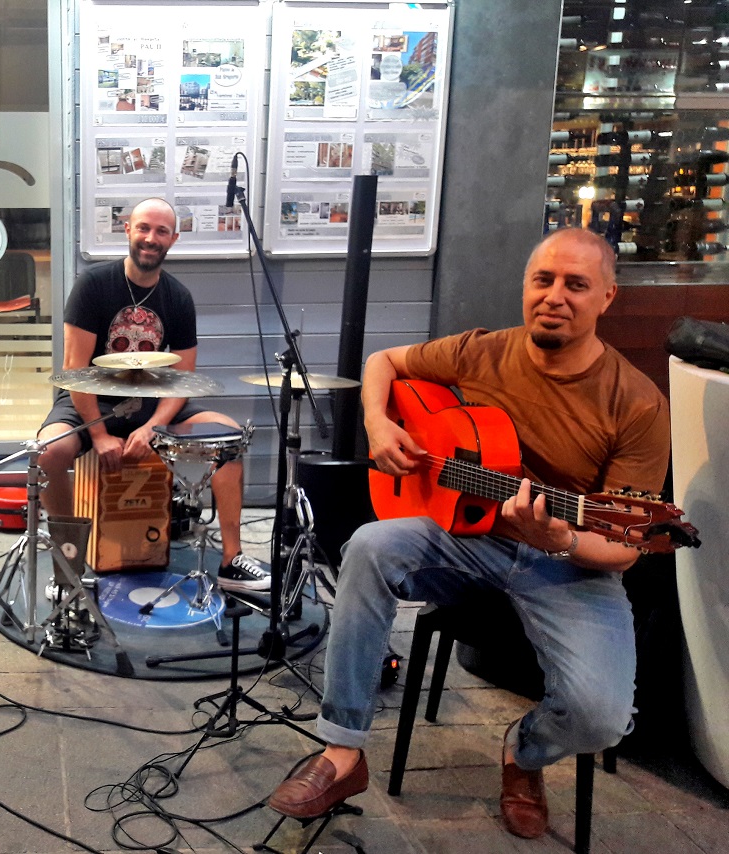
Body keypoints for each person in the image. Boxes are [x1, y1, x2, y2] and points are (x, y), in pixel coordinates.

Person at [267, 228, 670, 840]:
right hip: (469, 535)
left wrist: (559, 540)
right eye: (543, 280)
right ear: (525, 285)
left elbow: (622, 547)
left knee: (602, 718)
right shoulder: (482, 351)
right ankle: (342, 749)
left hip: (570, 561)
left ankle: (524, 752)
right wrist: (378, 423)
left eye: (576, 285)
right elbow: (384, 363)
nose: (555, 296)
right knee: (369, 546)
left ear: (607, 297)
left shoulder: (636, 403)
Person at [37, 197, 270, 594]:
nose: (151, 238)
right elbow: (75, 373)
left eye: (161, 231)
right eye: (143, 228)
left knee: (228, 439)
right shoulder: (94, 285)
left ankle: (232, 561)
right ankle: (67, 562)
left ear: (173, 239)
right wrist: (98, 435)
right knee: (48, 452)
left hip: (153, 403)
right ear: (128, 229)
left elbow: (184, 377)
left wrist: (153, 427)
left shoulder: (178, 297)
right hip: (92, 402)